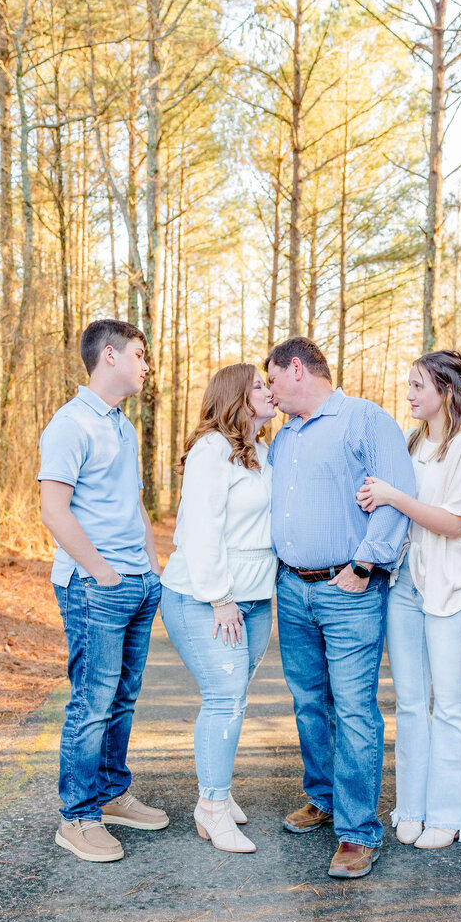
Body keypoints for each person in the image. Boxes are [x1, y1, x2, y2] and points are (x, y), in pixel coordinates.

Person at [266, 337, 415, 879]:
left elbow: (397, 497)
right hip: (292, 588)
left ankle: (357, 833)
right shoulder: (284, 437)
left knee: (354, 709)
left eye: (274, 380)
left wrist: (363, 566)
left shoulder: (364, 420)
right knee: (309, 701)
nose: (271, 392)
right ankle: (324, 798)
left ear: (298, 369)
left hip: (347, 588)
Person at [38, 319, 168, 863]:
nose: (146, 365)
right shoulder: (70, 425)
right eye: (139, 354)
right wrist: (103, 573)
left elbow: (133, 504)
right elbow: (53, 509)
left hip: (136, 582)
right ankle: (77, 817)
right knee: (92, 702)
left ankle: (110, 794)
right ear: (109, 355)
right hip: (95, 586)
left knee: (122, 698)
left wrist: (151, 568)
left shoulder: (122, 425)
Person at [356, 350, 461, 849]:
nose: (409, 394)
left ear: (445, 393)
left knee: (451, 705)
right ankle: (411, 807)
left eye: (417, 387)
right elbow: (397, 508)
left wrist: (393, 496)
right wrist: (376, 497)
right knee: (410, 702)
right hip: (405, 586)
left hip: (453, 591)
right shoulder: (411, 442)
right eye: (408, 385)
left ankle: (452, 816)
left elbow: (457, 523)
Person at [160, 364, 278, 854]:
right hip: (205, 597)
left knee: (236, 696)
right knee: (224, 697)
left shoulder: (261, 451)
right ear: (236, 396)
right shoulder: (212, 450)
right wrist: (220, 597)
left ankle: (218, 793)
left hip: (255, 598)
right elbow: (200, 531)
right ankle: (210, 806)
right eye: (259, 386)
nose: (270, 391)